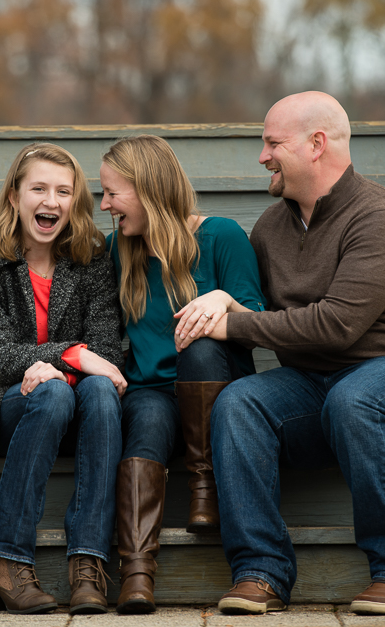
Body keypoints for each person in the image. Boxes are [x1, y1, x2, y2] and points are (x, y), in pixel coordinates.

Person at [191, 91, 385, 616]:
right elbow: (256, 307)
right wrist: (224, 297)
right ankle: (260, 572)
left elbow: (336, 325)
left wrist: (235, 324)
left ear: (316, 145)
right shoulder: (270, 227)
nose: (262, 156)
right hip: (315, 385)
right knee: (239, 403)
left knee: (355, 399)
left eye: (272, 143)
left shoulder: (382, 218)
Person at [0, 143, 126, 615]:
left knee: (97, 388)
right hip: (10, 407)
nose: (51, 201)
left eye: (64, 191)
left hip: (83, 405)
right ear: (15, 197)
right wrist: (66, 354)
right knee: (55, 391)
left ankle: (88, 564)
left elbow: (105, 348)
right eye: (39, 188)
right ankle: (5, 558)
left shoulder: (91, 261)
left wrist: (63, 365)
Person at [98, 134, 265, 614]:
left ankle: (205, 487)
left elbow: (257, 324)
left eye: (113, 192)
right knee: (146, 419)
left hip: (216, 389)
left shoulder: (221, 236)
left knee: (199, 339)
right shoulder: (118, 251)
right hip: (151, 390)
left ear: (148, 188)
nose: (105, 205)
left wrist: (223, 301)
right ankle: (136, 573)